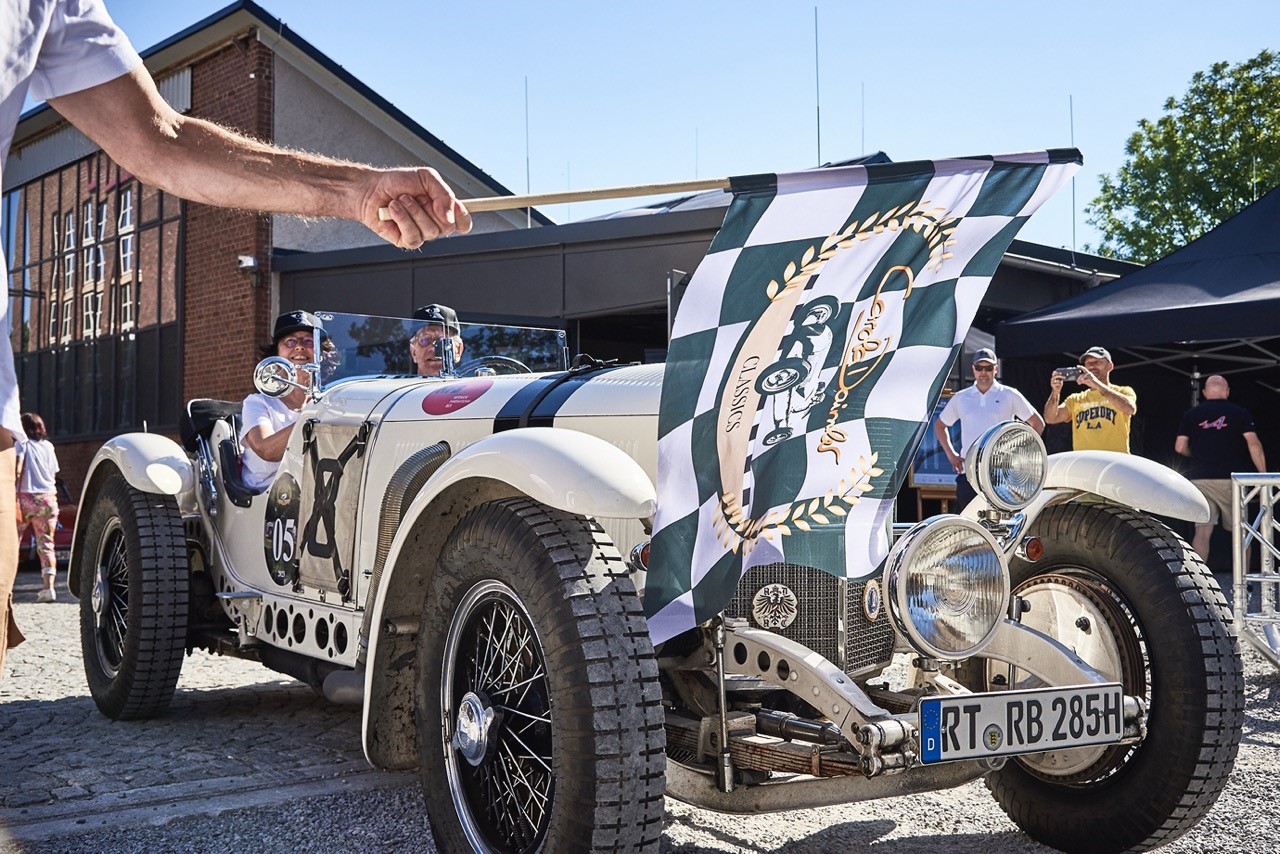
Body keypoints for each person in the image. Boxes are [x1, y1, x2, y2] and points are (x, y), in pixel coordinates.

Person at [1, 0, 471, 675]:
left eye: (313, 347)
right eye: (293, 346)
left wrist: (361, 191)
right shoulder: (264, 404)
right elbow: (262, 441)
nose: (304, 354)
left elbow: (161, 136)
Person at [934, 348, 1045, 509]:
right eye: (980, 368)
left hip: (1002, 473)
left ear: (996, 369)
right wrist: (951, 455)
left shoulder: (1009, 394)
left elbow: (1037, 423)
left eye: (988, 368)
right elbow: (940, 425)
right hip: (970, 473)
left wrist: (1020, 451)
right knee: (970, 524)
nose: (983, 372)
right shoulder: (961, 398)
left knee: (1003, 524)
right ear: (973, 369)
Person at [1175, 375, 1267, 563]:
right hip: (1231, 480)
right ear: (1227, 391)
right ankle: (1244, 585)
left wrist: (1196, 455)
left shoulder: (1191, 415)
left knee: (1202, 531)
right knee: (1241, 531)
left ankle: (1199, 583)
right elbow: (1254, 444)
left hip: (1200, 479)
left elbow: (1179, 446)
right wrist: (1264, 474)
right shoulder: (1239, 413)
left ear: (1205, 392)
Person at [239, 312, 334, 491]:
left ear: (321, 355)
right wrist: (311, 418)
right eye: (290, 341)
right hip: (267, 499)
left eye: (309, 341)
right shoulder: (258, 403)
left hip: (316, 495)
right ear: (276, 354)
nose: (299, 347)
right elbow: (266, 449)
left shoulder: (330, 402)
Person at [1043, 346, 1138, 453]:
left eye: (1097, 362)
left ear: (1110, 366)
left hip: (1115, 462)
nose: (1092, 366)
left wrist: (1097, 384)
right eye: (1088, 363)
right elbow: (1050, 418)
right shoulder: (1076, 399)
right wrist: (1055, 392)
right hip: (1086, 463)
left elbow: (1130, 409)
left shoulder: (1123, 391)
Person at [15, 413, 61, 602]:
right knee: (47, 544)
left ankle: (7, 585)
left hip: (25, 498)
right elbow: (54, 472)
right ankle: (48, 588)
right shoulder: (49, 447)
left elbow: (17, 469)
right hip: (48, 499)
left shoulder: (22, 444)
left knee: (12, 542)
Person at [409, 303, 465, 377]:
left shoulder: (472, 388)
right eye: (425, 340)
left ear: (458, 350)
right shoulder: (397, 387)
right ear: (414, 353)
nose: (434, 349)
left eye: (443, 341)